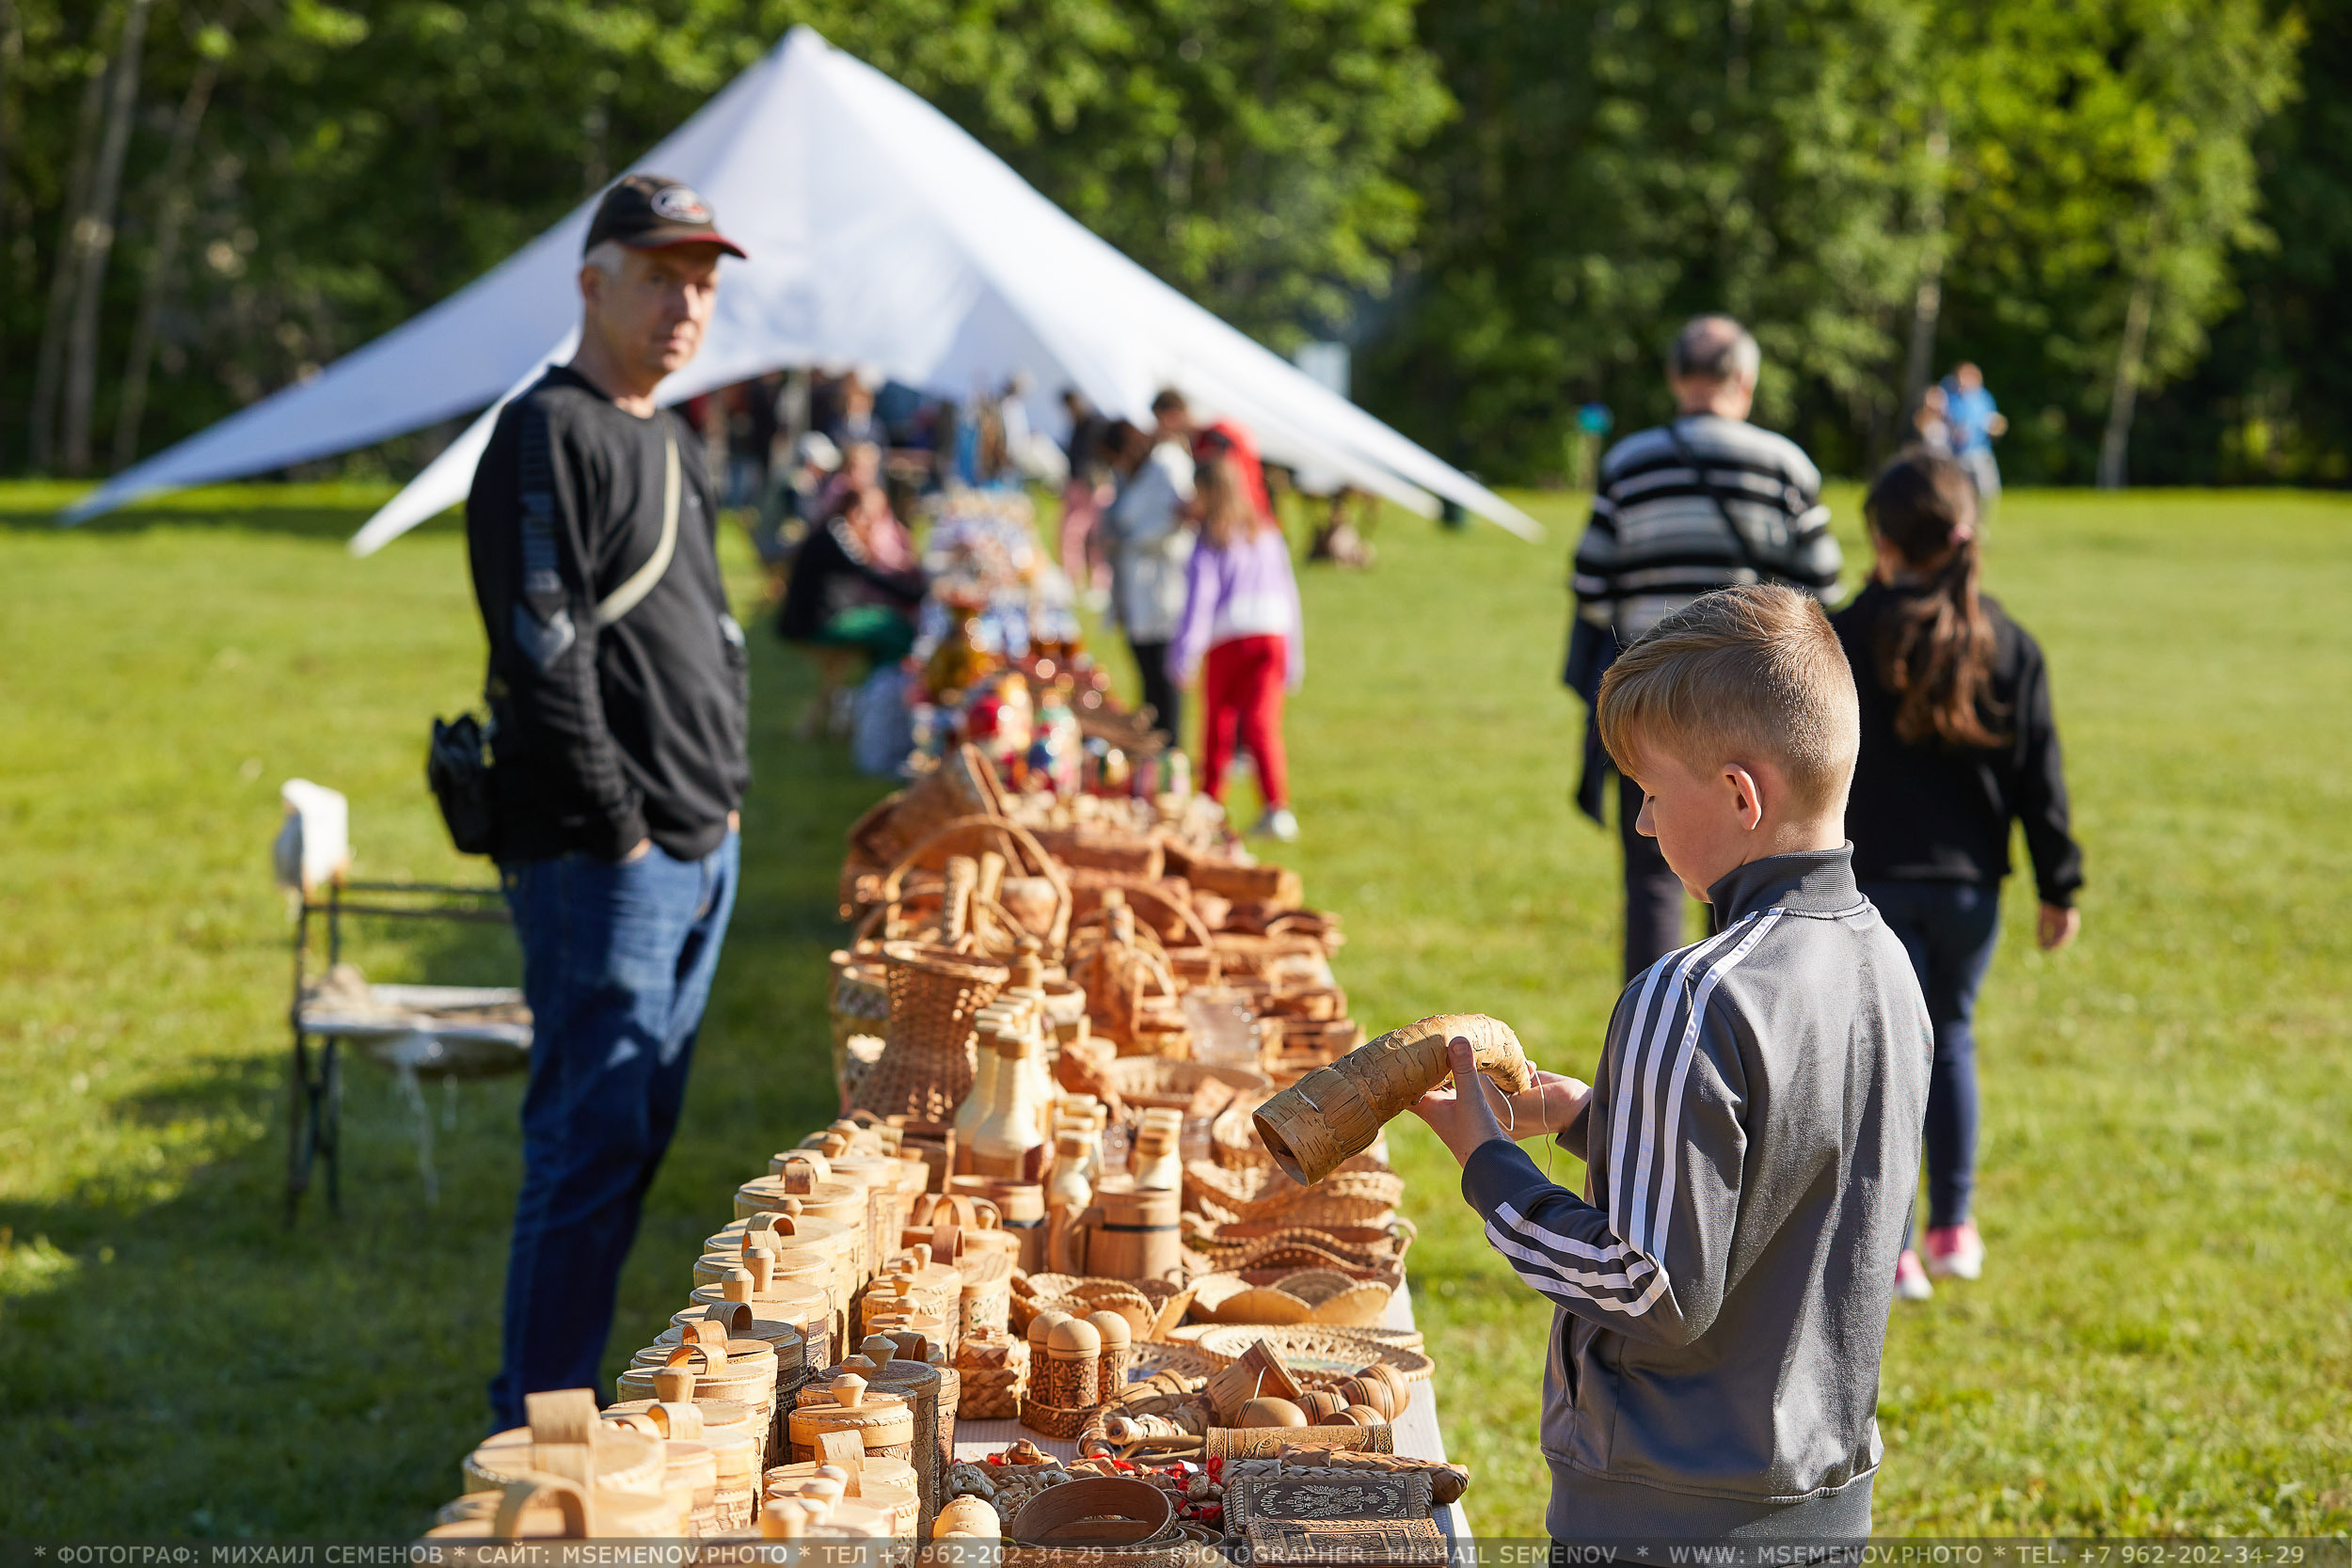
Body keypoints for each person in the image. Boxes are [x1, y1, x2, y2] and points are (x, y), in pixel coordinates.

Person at [1412, 584, 1928, 1542]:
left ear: (1740, 796)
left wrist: (1490, 1166)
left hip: (1659, 1512)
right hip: (1823, 1499)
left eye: (1650, 792)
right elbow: (1789, 1172)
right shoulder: (1885, 962)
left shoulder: (1685, 995)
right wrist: (1590, 1119)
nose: (1643, 824)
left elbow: (1647, 1287)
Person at [464, 173, 751, 1429]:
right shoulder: (546, 430)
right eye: (659, 275)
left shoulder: (669, 435)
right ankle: (535, 1436)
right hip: (604, 857)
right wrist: (624, 830)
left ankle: (568, 1407)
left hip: (698, 843)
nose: (685, 302)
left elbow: (708, 635)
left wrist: (719, 810)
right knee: (584, 1153)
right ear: (593, 282)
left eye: (702, 280)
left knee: (627, 1142)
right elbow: (545, 652)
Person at [1832, 451, 2081, 1299]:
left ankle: (1891, 1246)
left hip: (1870, 887)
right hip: (1973, 890)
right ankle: (1953, 1227)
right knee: (1952, 1041)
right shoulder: (2009, 640)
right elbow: (2037, 775)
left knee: (1879, 1064)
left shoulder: (1848, 632)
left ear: (1880, 537)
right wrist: (2060, 884)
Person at [1565, 314, 1844, 981]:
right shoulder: (1785, 464)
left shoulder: (1629, 463)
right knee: (1752, 879)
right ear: (1744, 380)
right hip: (1757, 703)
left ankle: (1649, 1032)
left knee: (1655, 872)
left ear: (1675, 378)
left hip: (1651, 698)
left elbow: (1589, 584)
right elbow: (1825, 587)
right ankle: (1742, 1019)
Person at [1168, 446, 1304, 842]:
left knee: (1220, 721)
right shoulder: (1265, 530)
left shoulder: (1210, 539)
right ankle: (1276, 807)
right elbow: (1288, 592)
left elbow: (1200, 601)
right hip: (1273, 633)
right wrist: (1294, 655)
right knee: (1262, 723)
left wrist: (1184, 655)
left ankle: (1210, 802)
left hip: (1230, 637)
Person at [1099, 391, 1197, 744]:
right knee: (1146, 671)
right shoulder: (1130, 475)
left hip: (1163, 582)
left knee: (1164, 672)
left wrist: (1128, 540)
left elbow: (1181, 517)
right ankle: (1152, 743)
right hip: (1135, 585)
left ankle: (1171, 748)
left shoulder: (1167, 464)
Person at [1940, 362, 2008, 502]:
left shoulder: (1984, 398)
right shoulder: (1950, 397)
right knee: (1960, 490)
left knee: (1986, 490)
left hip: (1979, 450)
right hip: (1956, 453)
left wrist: (1995, 427)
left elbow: (1993, 421)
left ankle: (1979, 521)